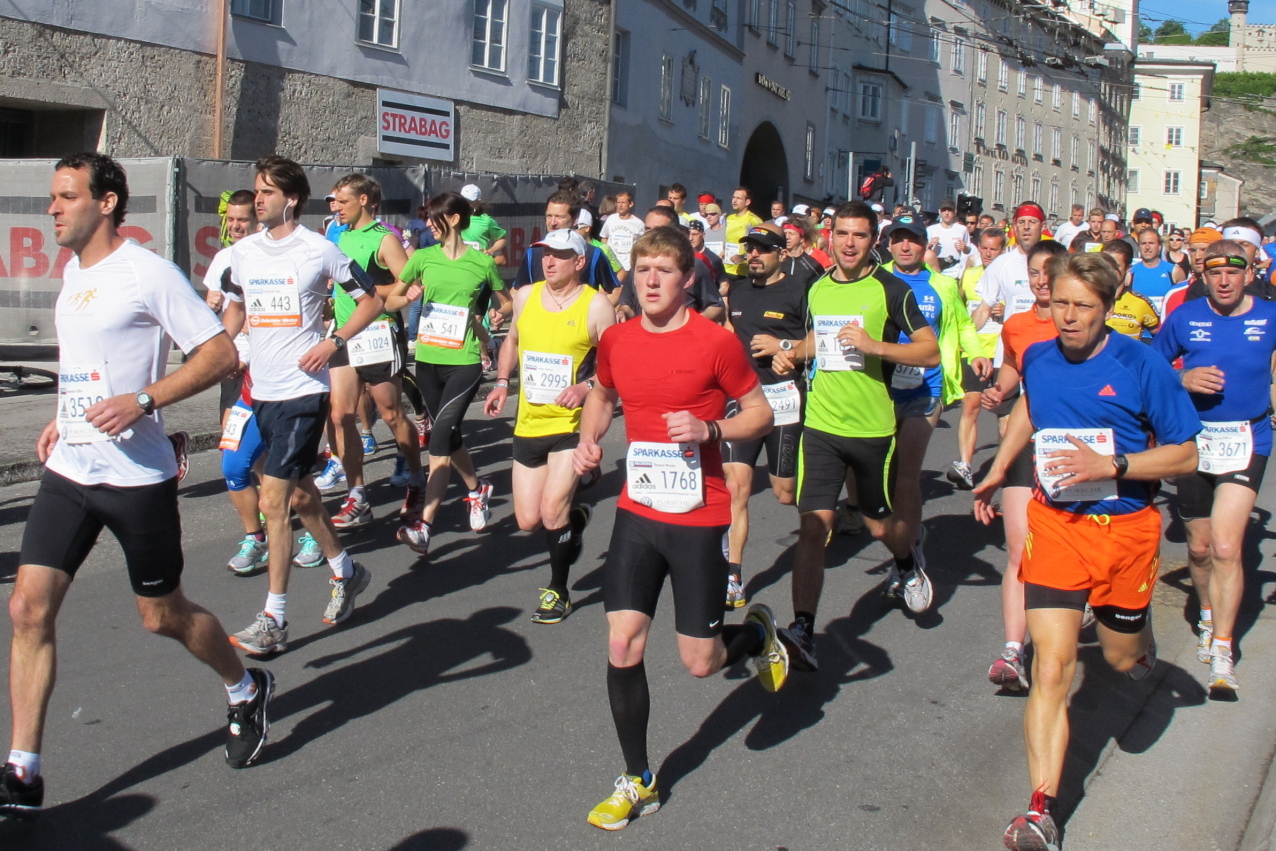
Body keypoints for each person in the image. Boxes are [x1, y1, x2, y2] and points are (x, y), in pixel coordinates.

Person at [4, 154, 274, 821]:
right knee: (28, 608)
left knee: (161, 615)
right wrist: (62, 416)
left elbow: (220, 353)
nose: (53, 208)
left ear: (107, 202)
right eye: (53, 197)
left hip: (136, 477)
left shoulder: (148, 273)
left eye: (67, 196)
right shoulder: (75, 272)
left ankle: (244, 686)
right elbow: (89, 363)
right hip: (72, 469)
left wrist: (145, 400)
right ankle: (23, 770)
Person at [973, 253, 1200, 851]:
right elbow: (1030, 407)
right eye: (1059, 304)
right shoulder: (1039, 356)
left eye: (1082, 306)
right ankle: (1041, 810)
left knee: (1121, 658)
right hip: (1057, 526)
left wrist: (1112, 465)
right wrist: (998, 467)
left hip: (1126, 531)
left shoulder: (1141, 363)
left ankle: (1138, 638)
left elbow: (1186, 454)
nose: (1068, 317)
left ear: (1108, 307)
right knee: (1052, 667)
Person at [573, 226, 789, 830]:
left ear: (687, 279)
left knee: (700, 662)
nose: (650, 281)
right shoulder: (617, 339)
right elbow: (602, 396)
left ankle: (754, 634)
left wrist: (710, 430)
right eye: (642, 269)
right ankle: (638, 778)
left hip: (700, 513)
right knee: (623, 642)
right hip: (639, 511)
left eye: (663, 271)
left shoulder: (715, 342)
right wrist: (589, 442)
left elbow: (760, 413)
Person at [770, 201, 939, 670]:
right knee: (813, 527)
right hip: (821, 426)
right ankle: (803, 629)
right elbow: (817, 340)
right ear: (829, 237)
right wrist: (791, 353)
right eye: (841, 234)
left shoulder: (891, 289)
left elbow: (929, 351)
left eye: (859, 235)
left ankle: (906, 561)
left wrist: (874, 346)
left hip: (872, 430)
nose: (848, 244)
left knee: (880, 527)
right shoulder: (818, 287)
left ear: (873, 241)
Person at [221, 156, 379, 654]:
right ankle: (346, 571)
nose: (258, 200)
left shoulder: (319, 250)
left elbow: (371, 299)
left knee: (273, 502)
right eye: (256, 191)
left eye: (267, 192)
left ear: (291, 199)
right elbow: (237, 305)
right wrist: (224, 349)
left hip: (303, 391)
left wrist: (334, 341)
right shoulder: (243, 253)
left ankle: (274, 617)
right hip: (260, 391)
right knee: (302, 497)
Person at [1153, 241, 1276, 694]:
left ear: (1249, 274)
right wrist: (1181, 378)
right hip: (1194, 440)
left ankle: (1223, 648)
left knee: (1226, 546)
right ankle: (1207, 613)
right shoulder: (1186, 317)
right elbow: (1149, 366)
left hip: (1248, 439)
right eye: (1215, 273)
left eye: (1234, 272)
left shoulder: (1269, 316)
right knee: (1201, 547)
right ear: (1203, 276)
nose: (1224, 281)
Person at [482, 228, 614, 622]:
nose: (549, 261)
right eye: (545, 254)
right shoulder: (526, 296)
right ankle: (575, 519)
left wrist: (585, 387)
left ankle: (558, 591)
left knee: (552, 513)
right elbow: (512, 340)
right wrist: (501, 382)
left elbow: (615, 366)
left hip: (570, 426)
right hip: (528, 423)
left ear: (580, 262)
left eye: (559, 254)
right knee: (528, 520)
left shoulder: (596, 306)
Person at [396, 191, 513, 556]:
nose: (428, 224)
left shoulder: (482, 262)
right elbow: (391, 299)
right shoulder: (423, 258)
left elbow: (506, 301)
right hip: (428, 361)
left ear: (454, 219)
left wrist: (499, 314)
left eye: (434, 218)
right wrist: (407, 297)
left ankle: (424, 526)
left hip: (464, 362)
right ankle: (477, 489)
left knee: (439, 439)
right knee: (450, 434)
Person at [978, 240, 1069, 689]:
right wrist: (999, 391)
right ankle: (1013, 650)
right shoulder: (1016, 325)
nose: (1041, 280)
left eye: (1050, 272)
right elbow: (1012, 373)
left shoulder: (1081, 321)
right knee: (1018, 547)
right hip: (1027, 441)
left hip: (1074, 448)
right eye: (1034, 272)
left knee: (1069, 549)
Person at [883, 213, 991, 552]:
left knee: (907, 470)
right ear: (889, 245)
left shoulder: (942, 285)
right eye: (898, 239)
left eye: (912, 240)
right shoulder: (875, 279)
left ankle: (909, 546)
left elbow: (963, 324)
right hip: (880, 387)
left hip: (926, 387)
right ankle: (882, 519)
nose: (905, 246)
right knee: (883, 466)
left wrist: (976, 353)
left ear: (924, 245)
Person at [327, 173, 424, 527]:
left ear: (364, 200)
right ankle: (357, 496)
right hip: (344, 333)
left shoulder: (385, 239)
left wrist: (364, 290)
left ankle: (416, 476)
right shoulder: (338, 236)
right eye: (335, 202)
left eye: (343, 201)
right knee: (340, 415)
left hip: (378, 333)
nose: (336, 208)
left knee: (390, 413)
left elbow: (408, 286)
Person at [722, 224, 809, 609]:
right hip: (743, 400)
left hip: (784, 399)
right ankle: (733, 576)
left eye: (762, 249)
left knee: (784, 492)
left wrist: (784, 345)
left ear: (781, 254)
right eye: (750, 248)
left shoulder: (800, 290)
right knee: (735, 488)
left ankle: (819, 514)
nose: (754, 255)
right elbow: (730, 333)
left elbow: (820, 340)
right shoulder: (738, 290)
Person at [948, 227, 1008, 489]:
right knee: (970, 406)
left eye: (994, 249)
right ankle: (965, 465)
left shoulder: (1010, 275)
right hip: (975, 352)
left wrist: (1006, 310)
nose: (988, 253)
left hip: (1002, 352)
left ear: (1003, 250)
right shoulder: (970, 275)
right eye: (984, 248)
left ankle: (1005, 469)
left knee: (1003, 414)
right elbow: (959, 307)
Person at [616, 208, 725, 323]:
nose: (652, 281)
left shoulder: (694, 264)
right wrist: (623, 312)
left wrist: (692, 324)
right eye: (647, 229)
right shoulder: (639, 263)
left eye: (658, 230)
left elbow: (716, 306)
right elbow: (626, 304)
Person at [516, 190, 620, 296]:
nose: (552, 223)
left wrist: (599, 305)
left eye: (559, 217)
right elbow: (516, 290)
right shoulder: (532, 253)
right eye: (549, 216)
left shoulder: (594, 254)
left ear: (575, 219)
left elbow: (615, 289)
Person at [1100, 241, 1160, 340]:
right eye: (1106, 265)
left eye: (1116, 266)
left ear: (1128, 268)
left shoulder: (1141, 303)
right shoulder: (1087, 296)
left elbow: (1161, 337)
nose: (1109, 270)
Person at [1130, 228, 1185, 318]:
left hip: (1165, 324)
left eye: (1151, 243)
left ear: (1159, 247)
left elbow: (1182, 304)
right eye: (1143, 243)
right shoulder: (1130, 272)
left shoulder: (1174, 272)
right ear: (1138, 247)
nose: (1147, 247)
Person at [458, 184, 508, 263]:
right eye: (463, 199)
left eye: (470, 201)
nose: (465, 203)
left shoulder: (486, 221)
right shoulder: (453, 217)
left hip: (477, 264)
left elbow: (502, 239)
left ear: (478, 202)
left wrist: (490, 251)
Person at [599, 190, 646, 273]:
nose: (620, 205)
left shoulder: (638, 224)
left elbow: (643, 244)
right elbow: (604, 237)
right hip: (611, 265)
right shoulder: (611, 219)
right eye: (618, 202)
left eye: (623, 203)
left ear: (631, 204)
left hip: (628, 266)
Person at [723, 187, 764, 278]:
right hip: (727, 269)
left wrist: (744, 257)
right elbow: (728, 240)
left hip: (744, 271)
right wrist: (723, 251)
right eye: (734, 197)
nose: (734, 201)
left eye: (739, 198)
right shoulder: (729, 218)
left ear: (747, 202)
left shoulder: (753, 220)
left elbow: (761, 245)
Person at [779, 218, 827, 285]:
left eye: (791, 233)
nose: (787, 237)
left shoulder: (813, 265)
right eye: (785, 233)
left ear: (802, 238)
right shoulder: (776, 260)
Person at [926, 200, 969, 274]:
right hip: (936, 269)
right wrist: (929, 245)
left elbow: (968, 250)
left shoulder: (962, 229)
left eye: (949, 210)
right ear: (940, 212)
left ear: (955, 212)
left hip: (955, 269)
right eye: (944, 210)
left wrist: (964, 247)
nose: (946, 213)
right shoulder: (930, 229)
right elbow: (924, 250)